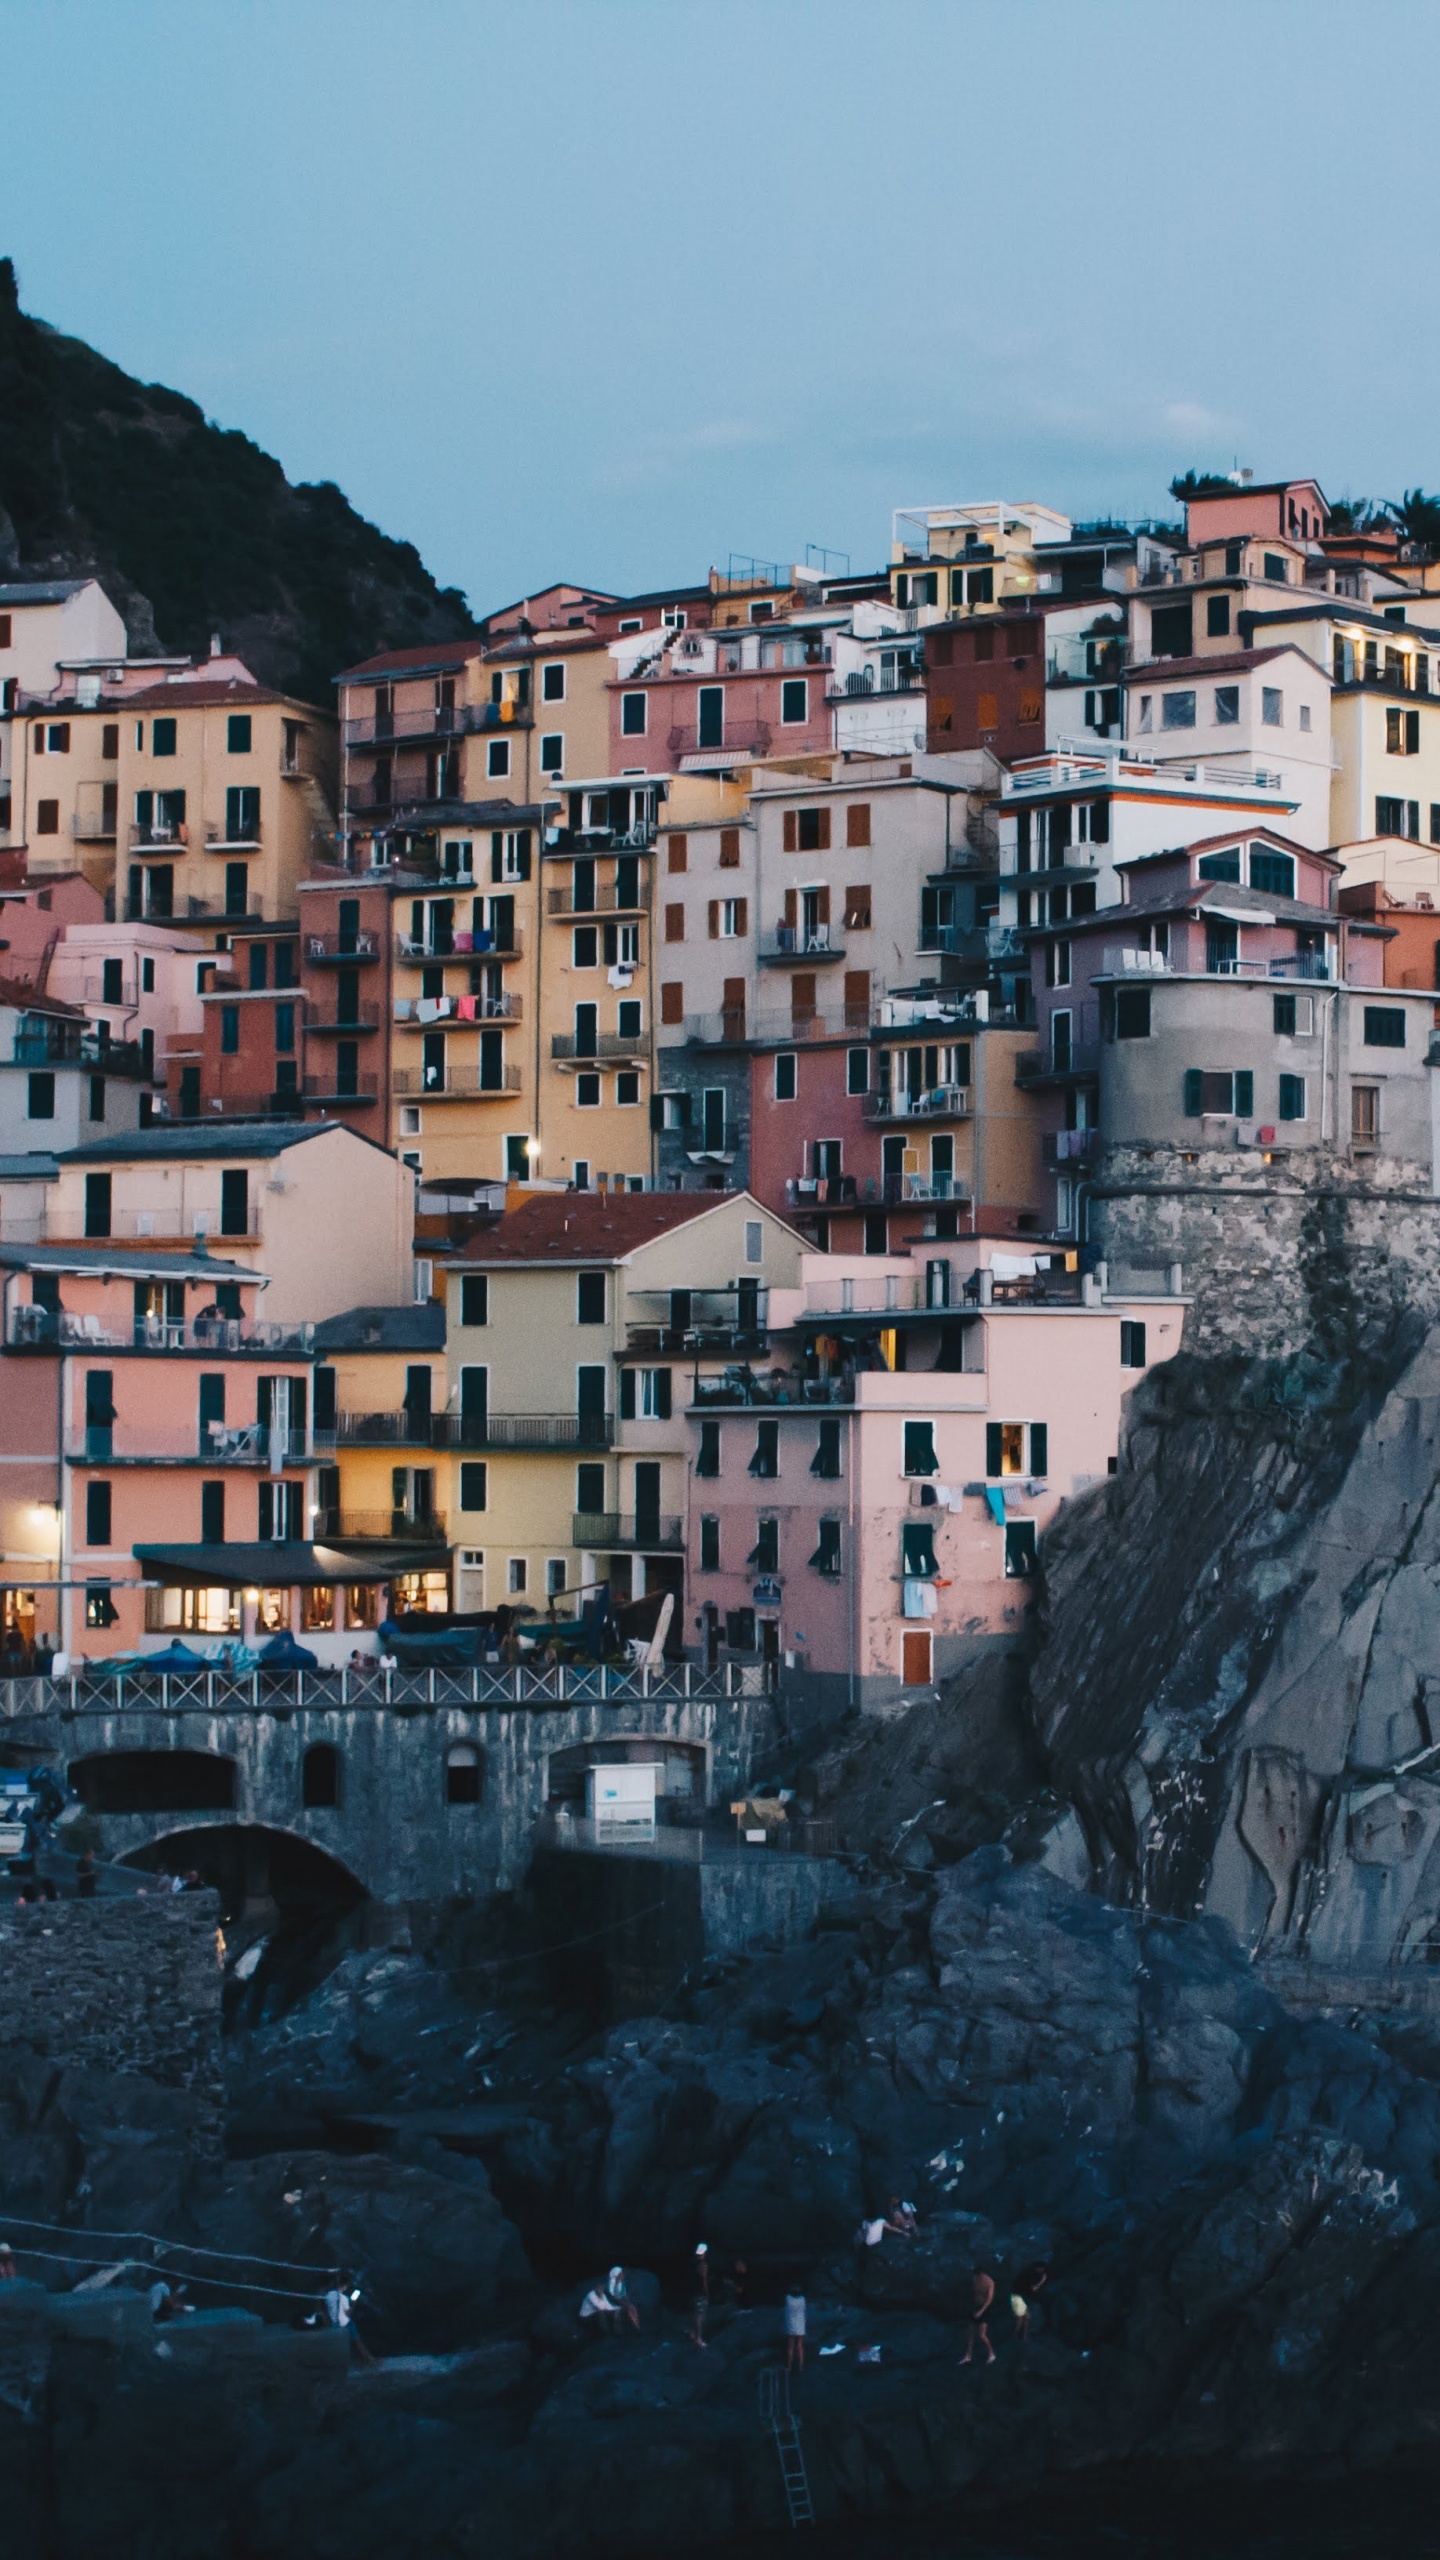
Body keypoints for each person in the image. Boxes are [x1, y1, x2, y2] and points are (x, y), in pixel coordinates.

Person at [322, 2280, 374, 2366]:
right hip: (345, 2322)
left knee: (339, 2345)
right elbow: (348, 2313)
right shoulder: (343, 2298)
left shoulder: (328, 2296)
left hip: (335, 2323)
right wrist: (353, 2303)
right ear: (342, 2286)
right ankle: (368, 2359)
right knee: (357, 2340)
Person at [962, 2268, 996, 2367]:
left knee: (982, 2335)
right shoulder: (975, 2279)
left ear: (983, 2274)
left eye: (979, 2276)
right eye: (976, 2276)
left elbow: (989, 2300)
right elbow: (973, 2293)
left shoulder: (989, 2282)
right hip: (975, 2307)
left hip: (985, 2309)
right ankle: (968, 2355)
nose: (978, 2277)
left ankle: (991, 2353)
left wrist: (981, 2311)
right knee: (970, 2333)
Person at [1012, 2262, 1047, 2342]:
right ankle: (1018, 2336)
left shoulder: (1029, 2272)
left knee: (1025, 2317)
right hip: (1019, 2296)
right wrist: (1041, 2282)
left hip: (1019, 2296)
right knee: (1021, 2318)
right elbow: (1033, 2288)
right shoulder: (1031, 2274)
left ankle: (1022, 2336)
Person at [689, 2242, 709, 2348]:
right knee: (700, 2315)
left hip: (692, 2292)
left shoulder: (692, 2263)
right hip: (700, 2293)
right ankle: (699, 2338)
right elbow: (704, 2279)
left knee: (694, 2313)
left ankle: (692, 2334)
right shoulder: (703, 2264)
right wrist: (706, 2292)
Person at [784, 2288, 806, 2372]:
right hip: (800, 2325)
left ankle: (789, 2366)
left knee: (790, 2347)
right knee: (800, 2346)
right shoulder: (802, 2299)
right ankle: (801, 2366)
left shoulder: (788, 2299)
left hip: (791, 2325)